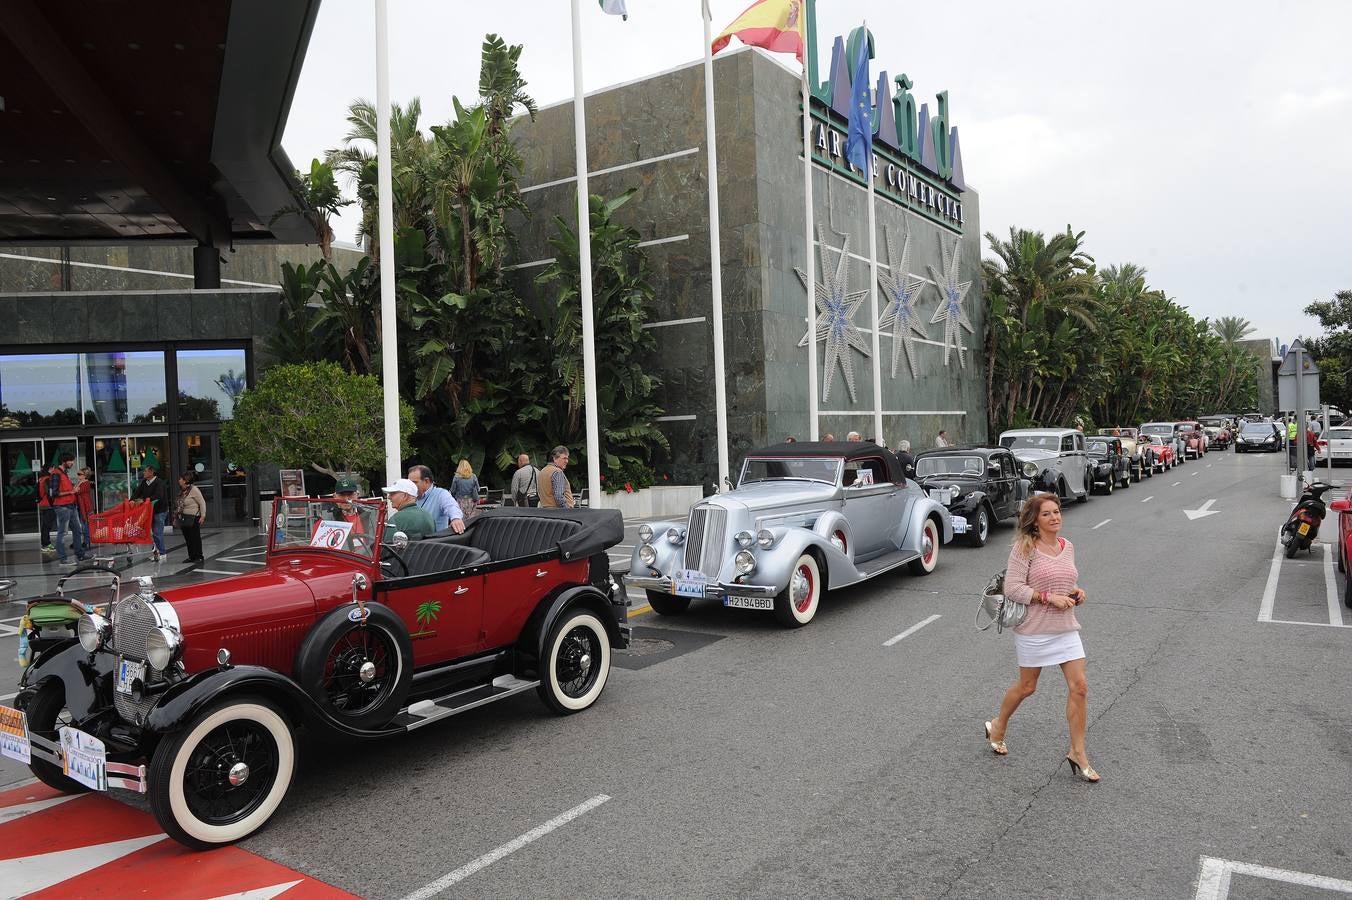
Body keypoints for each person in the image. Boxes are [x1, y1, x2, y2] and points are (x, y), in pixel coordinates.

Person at [984, 493, 1098, 783]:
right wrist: (1048, 598)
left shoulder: (1067, 546)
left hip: (1065, 627)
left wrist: (1076, 592)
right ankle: (998, 726)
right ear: (1035, 521)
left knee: (1080, 686)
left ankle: (1078, 751)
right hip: (1035, 629)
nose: (1055, 517)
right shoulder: (1025, 548)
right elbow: (1013, 589)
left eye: (1057, 512)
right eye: (1047, 514)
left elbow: (1066, 581)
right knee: (1027, 687)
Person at [49, 454, 89, 565]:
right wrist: (71, 492)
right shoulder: (56, 474)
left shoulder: (64, 473)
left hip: (71, 506)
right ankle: (63, 559)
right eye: (71, 461)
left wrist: (73, 489)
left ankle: (80, 554)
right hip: (63, 508)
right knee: (62, 533)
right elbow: (53, 493)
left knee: (77, 530)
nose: (72, 463)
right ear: (64, 461)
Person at [409, 464, 465, 533]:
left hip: (434, 541)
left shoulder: (441, 494)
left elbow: (451, 506)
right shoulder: (410, 496)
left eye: (414, 482)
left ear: (426, 481)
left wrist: (456, 518)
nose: (410, 486)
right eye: (409, 483)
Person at [131, 464, 170, 561]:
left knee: (157, 532)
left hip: (159, 511)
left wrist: (143, 500)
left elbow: (158, 495)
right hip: (150, 511)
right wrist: (132, 499)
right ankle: (157, 553)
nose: (143, 473)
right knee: (152, 533)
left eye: (145, 471)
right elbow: (137, 492)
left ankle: (162, 553)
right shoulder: (145, 482)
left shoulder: (159, 482)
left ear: (151, 472)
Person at [176, 471, 207, 565]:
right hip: (184, 517)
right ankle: (192, 556)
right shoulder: (182, 490)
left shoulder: (194, 490)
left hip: (193, 517)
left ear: (185, 480)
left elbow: (202, 502)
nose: (179, 480)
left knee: (195, 537)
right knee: (188, 538)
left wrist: (203, 515)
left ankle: (199, 556)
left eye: (180, 479)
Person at [75, 467, 95, 553]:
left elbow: (77, 491)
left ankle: (86, 541)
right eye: (78, 474)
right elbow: (75, 490)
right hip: (81, 506)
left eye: (80, 474)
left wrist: (76, 488)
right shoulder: (80, 483)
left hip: (86, 507)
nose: (78, 476)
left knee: (85, 524)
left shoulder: (85, 483)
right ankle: (85, 541)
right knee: (83, 524)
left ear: (85, 475)